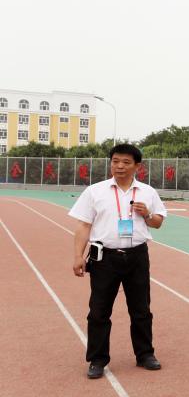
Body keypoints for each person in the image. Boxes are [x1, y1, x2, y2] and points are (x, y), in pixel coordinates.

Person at [70, 143, 168, 379]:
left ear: (137, 166)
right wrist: (78, 256)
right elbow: (83, 225)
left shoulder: (147, 192)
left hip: (137, 256)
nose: (119, 166)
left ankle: (145, 354)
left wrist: (146, 213)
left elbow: (157, 223)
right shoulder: (95, 191)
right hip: (104, 258)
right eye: (115, 161)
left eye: (126, 162)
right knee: (99, 311)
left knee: (141, 309)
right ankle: (97, 359)